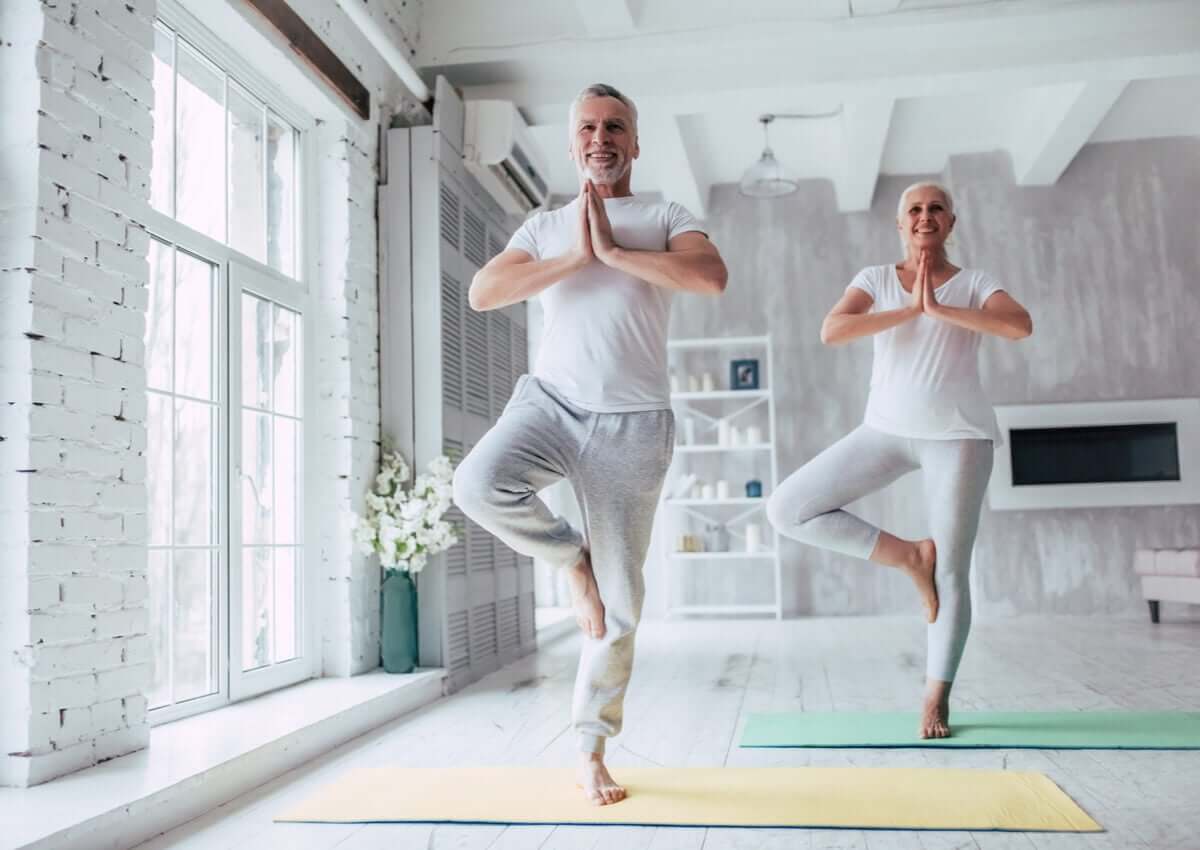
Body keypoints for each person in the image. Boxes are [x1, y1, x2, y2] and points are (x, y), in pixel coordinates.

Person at [452, 83, 728, 804]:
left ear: (634, 143)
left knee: (624, 604)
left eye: (615, 127)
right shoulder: (544, 226)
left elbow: (710, 276)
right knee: (476, 485)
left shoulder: (665, 215)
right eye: (588, 128)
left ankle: (590, 748)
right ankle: (571, 559)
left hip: (634, 425)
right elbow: (484, 293)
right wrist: (578, 256)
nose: (601, 138)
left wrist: (613, 250)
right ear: (572, 143)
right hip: (550, 404)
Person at [766, 181, 1033, 738]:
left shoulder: (976, 283)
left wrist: (940, 308)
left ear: (951, 222)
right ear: (899, 223)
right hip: (883, 432)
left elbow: (1017, 325)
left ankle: (936, 698)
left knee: (955, 571)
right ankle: (910, 557)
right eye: (914, 209)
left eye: (936, 208)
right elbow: (833, 329)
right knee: (787, 508)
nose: (925, 216)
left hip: (958, 436)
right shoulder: (874, 280)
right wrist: (911, 308)